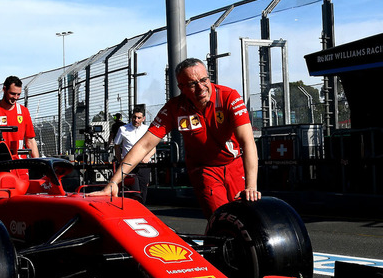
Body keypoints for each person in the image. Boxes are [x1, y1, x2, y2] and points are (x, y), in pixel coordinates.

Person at [93, 58, 260, 216]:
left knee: (244, 214)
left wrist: (251, 186)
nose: (201, 87)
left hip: (234, 164)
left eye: (204, 80)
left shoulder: (229, 97)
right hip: (204, 169)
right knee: (221, 216)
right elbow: (144, 145)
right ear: (181, 87)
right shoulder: (174, 108)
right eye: (193, 84)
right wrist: (114, 182)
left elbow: (248, 142)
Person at [0, 76, 39, 158]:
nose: (15, 97)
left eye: (18, 94)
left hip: (19, 163)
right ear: (4, 89)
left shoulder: (23, 111)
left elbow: (30, 140)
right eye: (12, 94)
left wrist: (39, 164)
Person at [112, 107, 154, 203]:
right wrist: (120, 161)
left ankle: (141, 210)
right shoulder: (123, 129)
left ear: (143, 118)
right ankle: (133, 208)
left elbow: (153, 148)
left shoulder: (147, 129)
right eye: (134, 117)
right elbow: (116, 146)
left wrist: (147, 157)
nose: (136, 120)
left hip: (143, 165)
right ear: (131, 117)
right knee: (134, 191)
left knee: (143, 189)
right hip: (129, 165)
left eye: (139, 118)